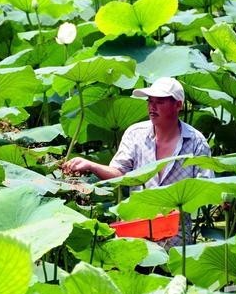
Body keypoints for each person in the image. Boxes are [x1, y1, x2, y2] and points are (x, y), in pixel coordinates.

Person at [62, 77, 213, 245]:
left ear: (178, 105)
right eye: (150, 101)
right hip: (136, 234)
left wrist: (170, 206)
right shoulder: (135, 134)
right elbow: (119, 173)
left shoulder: (196, 142)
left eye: (160, 102)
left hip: (177, 238)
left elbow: (206, 188)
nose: (152, 107)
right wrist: (91, 165)